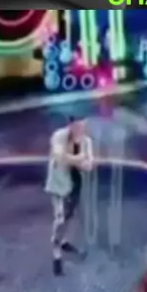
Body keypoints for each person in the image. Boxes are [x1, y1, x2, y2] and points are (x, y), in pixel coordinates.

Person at [45, 117, 94, 275]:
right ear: (70, 125)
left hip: (75, 183)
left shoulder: (86, 141)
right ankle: (56, 252)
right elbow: (58, 156)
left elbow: (89, 165)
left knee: (68, 216)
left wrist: (75, 160)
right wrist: (79, 159)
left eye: (83, 126)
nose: (81, 129)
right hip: (58, 184)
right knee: (59, 218)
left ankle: (63, 240)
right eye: (77, 126)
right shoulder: (59, 136)